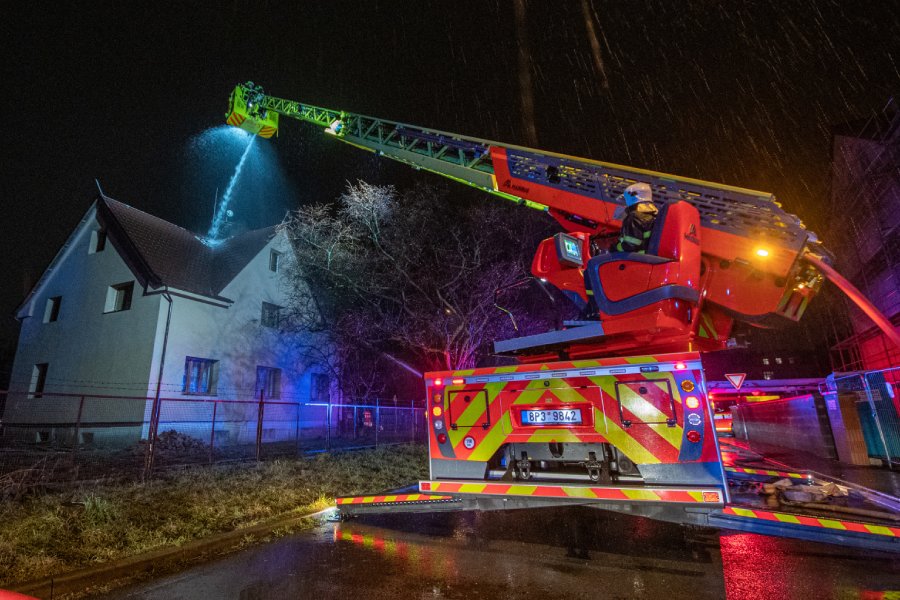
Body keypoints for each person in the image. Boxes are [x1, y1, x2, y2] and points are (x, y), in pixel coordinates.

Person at [613, 182, 658, 253]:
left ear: (632, 198)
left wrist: (615, 248)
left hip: (635, 258)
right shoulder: (656, 215)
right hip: (648, 257)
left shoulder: (634, 217)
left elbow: (630, 245)